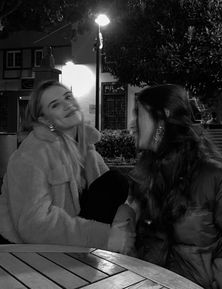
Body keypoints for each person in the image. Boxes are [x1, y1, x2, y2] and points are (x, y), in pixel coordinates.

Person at [0, 80, 135, 253]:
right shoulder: (32, 153)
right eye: (55, 105)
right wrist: (105, 237)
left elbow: (114, 202)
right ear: (44, 119)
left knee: (114, 183)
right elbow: (34, 225)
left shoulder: (86, 149)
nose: (67, 105)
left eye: (68, 97)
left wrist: (123, 219)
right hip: (22, 254)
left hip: (66, 246)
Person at [127, 84, 222, 289]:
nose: (133, 124)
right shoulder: (147, 174)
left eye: (138, 114)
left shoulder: (219, 177)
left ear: (162, 118)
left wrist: (215, 283)